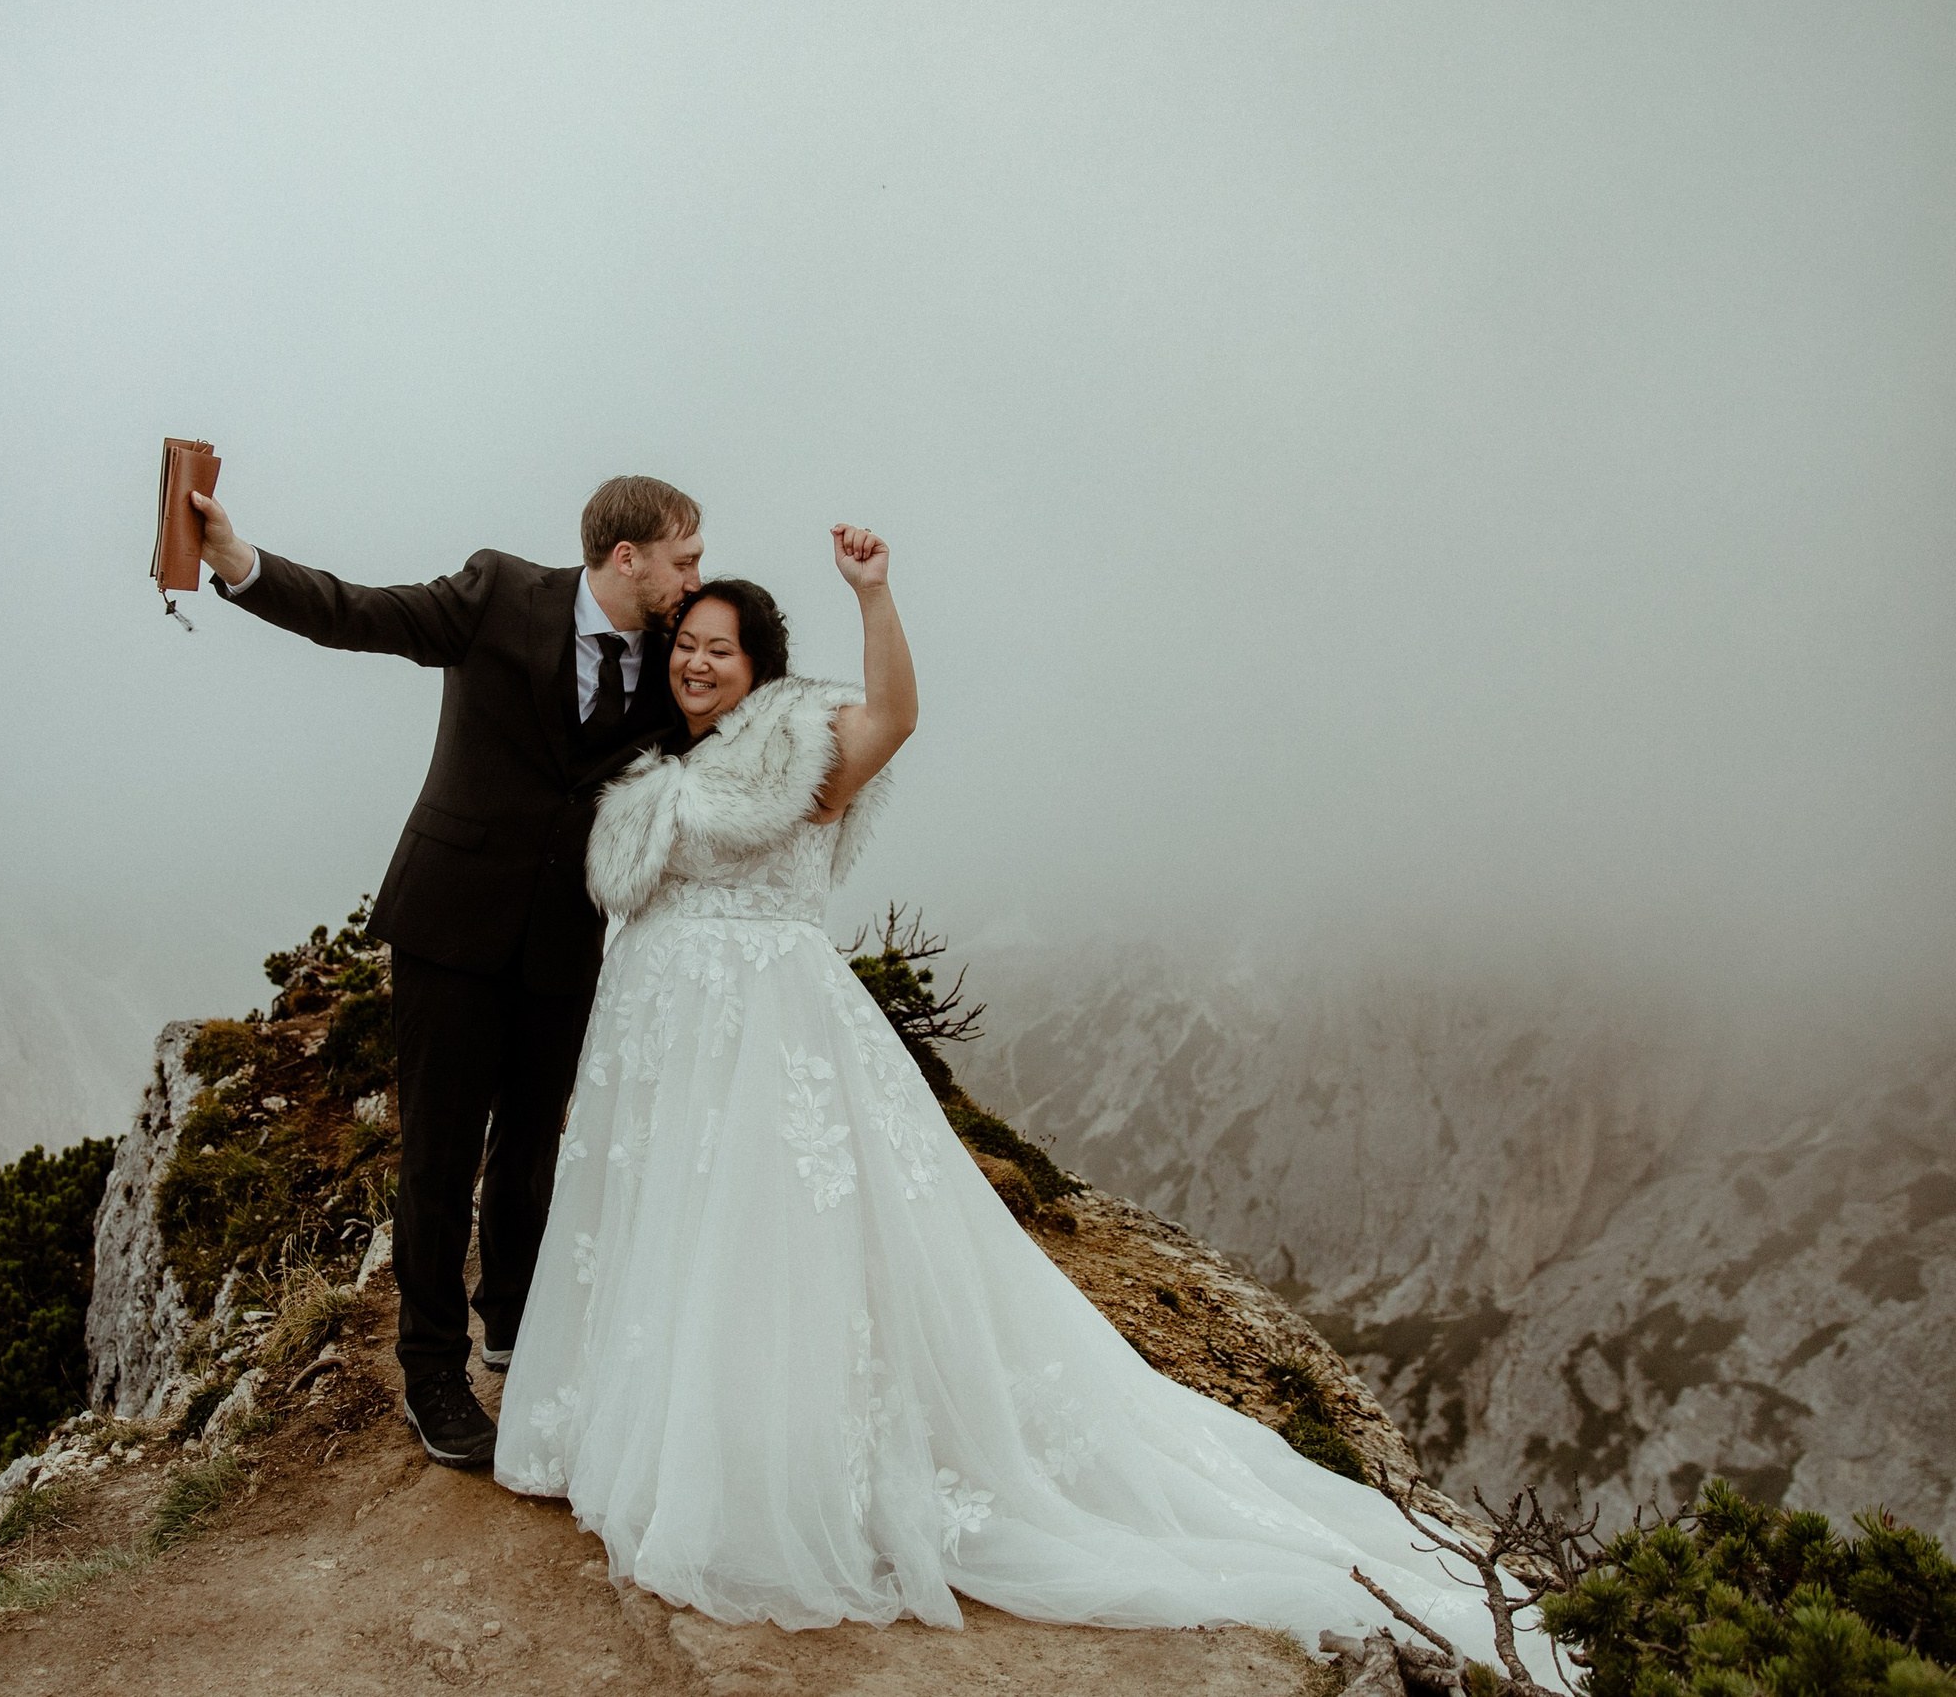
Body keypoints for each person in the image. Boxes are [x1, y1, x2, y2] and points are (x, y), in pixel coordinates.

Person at [491, 526, 1532, 1665]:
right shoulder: (654, 769)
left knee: (767, 1237)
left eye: (719, 650)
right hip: (658, 1037)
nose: (695, 663)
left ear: (761, 667)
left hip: (761, 1032)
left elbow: (894, 719)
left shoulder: (798, 743)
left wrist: (875, 594)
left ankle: (761, 1472)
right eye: (685, 645)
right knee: (669, 1228)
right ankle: (645, 1432)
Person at [191, 475, 701, 1468]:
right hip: (448, 923)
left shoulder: (673, 659)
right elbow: (357, 614)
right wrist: (236, 563)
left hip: (565, 935)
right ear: (625, 555)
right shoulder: (498, 592)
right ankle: (432, 1373)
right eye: (683, 556)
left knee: (530, 1151)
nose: (695, 574)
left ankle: (513, 1323)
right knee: (437, 1158)